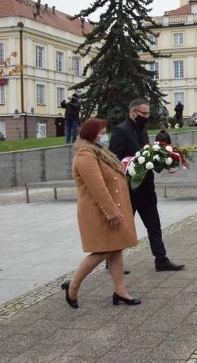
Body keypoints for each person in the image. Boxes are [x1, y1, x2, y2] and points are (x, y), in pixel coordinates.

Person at [61, 117, 140, 309]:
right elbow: (98, 188)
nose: (104, 136)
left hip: (109, 210)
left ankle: (120, 291)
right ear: (91, 133)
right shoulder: (85, 155)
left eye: (105, 132)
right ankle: (73, 286)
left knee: (116, 248)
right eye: (102, 132)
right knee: (102, 252)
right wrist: (112, 213)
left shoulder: (100, 152)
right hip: (99, 212)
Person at [109, 99, 186, 272]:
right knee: (124, 227)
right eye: (144, 114)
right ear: (133, 113)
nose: (147, 117)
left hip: (146, 189)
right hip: (130, 190)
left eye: (148, 114)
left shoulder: (142, 130)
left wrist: (160, 161)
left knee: (154, 225)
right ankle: (111, 260)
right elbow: (113, 160)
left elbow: (146, 153)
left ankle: (161, 260)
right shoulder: (121, 131)